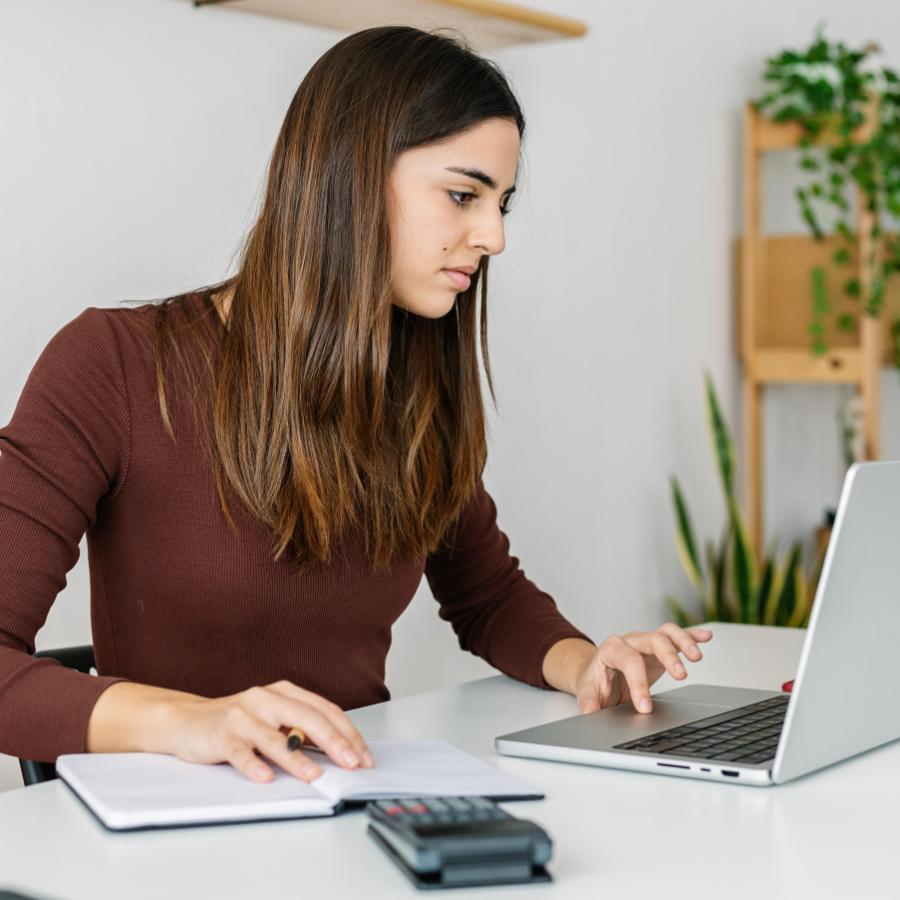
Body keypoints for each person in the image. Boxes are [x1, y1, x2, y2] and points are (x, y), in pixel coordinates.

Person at [0, 26, 711, 786]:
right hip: (175, 828)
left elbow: (487, 595)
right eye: (463, 195)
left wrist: (586, 666)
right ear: (348, 175)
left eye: (502, 203)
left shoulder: (414, 381)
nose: (494, 236)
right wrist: (187, 720)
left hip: (360, 803)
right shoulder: (115, 364)